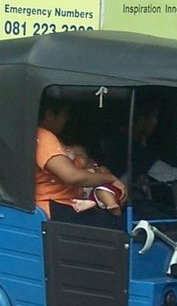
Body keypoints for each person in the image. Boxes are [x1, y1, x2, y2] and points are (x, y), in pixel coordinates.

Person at [35, 89, 125, 218]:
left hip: (68, 202)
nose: (67, 119)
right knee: (118, 225)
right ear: (50, 115)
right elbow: (72, 176)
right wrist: (110, 178)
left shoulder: (54, 139)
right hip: (53, 205)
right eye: (64, 114)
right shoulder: (43, 137)